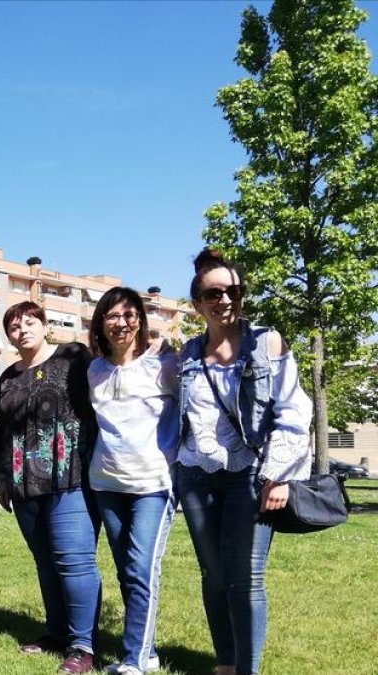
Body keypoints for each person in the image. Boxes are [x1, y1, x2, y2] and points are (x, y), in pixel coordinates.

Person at [175, 249, 312, 675]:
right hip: (196, 474)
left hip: (251, 476)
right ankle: (227, 663)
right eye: (214, 293)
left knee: (246, 578)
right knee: (213, 576)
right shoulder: (188, 354)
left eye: (234, 291)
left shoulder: (266, 342)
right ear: (198, 303)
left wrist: (279, 476)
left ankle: (248, 670)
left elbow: (293, 411)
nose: (225, 300)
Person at [0, 301, 101, 674]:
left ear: (44, 325)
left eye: (29, 322)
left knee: (74, 562)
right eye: (13, 325)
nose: (21, 329)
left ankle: (83, 644)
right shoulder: (7, 377)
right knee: (45, 563)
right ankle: (57, 632)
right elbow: (5, 431)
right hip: (24, 483)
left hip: (70, 477)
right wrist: (3, 479)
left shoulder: (73, 357)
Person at [87, 288, 180, 675]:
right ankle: (148, 648)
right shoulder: (95, 370)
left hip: (152, 486)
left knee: (141, 568)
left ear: (140, 319)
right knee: (127, 570)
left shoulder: (163, 365)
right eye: (112, 315)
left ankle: (134, 660)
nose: (121, 322)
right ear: (101, 323)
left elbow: (192, 409)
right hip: (107, 484)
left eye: (128, 315)